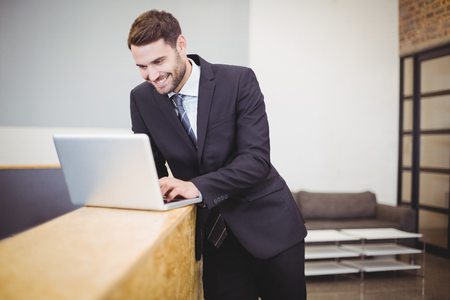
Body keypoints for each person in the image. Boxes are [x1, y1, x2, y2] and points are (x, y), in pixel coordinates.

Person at [127, 9, 307, 300]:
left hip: (269, 225)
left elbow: (256, 161)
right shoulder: (141, 98)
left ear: (181, 45)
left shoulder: (238, 81)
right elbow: (151, 166)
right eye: (142, 66)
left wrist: (196, 186)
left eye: (158, 61)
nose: (153, 75)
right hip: (214, 237)